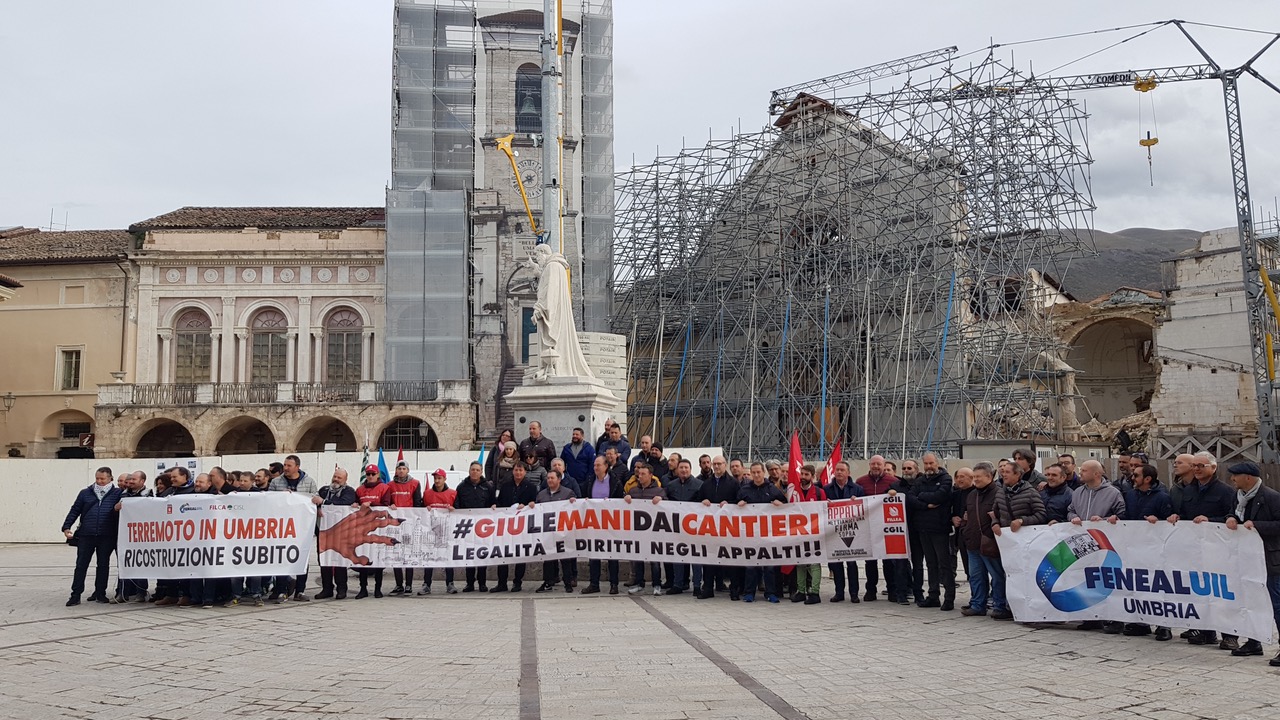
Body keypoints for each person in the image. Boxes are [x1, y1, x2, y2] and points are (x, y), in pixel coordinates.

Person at [1170, 452, 1236, 648]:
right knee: (1200, 590)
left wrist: (1211, 521)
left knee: (1222, 593)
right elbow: (1185, 514)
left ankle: (1230, 635)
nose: (1197, 469)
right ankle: (1206, 632)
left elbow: (1232, 518)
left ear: (1213, 468)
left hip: (1219, 550)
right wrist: (1176, 517)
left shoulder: (1225, 491)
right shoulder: (1189, 490)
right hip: (1195, 550)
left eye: (1201, 466)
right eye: (1195, 466)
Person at [1223, 462, 1280, 664]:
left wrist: (1257, 525)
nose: (1232, 479)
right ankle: (1253, 641)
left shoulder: (1271, 497)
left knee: (1276, 604)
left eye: (1235, 475)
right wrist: (1230, 518)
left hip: (1270, 559)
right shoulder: (1238, 496)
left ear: (1248, 477)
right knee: (1249, 601)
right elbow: (1233, 512)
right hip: (1246, 558)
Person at [1060, 459, 1126, 631]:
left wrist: (1104, 520)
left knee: (1107, 580)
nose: (1080, 473)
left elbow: (1122, 515)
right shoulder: (1078, 492)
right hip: (1085, 544)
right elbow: (1071, 510)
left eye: (1084, 470)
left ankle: (1113, 618)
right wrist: (1073, 517)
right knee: (1086, 579)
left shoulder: (1113, 493)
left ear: (1096, 474)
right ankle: (1091, 617)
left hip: (1105, 544)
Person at [1113, 463, 1174, 638]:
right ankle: (1140, 621)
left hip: (1156, 548)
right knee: (1138, 583)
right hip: (1135, 546)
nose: (1132, 478)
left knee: (1159, 585)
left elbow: (1170, 522)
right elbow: (1127, 516)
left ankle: (1164, 624)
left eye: (1136, 475)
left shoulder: (1162, 497)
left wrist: (1159, 520)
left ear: (1147, 479)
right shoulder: (1131, 495)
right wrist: (1117, 519)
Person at [62, 467, 123, 606]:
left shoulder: (117, 493)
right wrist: (66, 526)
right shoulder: (85, 493)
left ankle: (100, 593)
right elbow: (75, 510)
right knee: (81, 565)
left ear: (110, 478)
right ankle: (75, 595)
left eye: (103, 479)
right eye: (97, 478)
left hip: (107, 535)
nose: (99, 481)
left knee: (103, 565)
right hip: (86, 534)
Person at [960, 462, 1011, 619]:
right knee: (976, 576)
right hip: (973, 542)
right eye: (974, 476)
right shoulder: (972, 495)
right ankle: (978, 605)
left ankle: (1000, 606)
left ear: (989, 476)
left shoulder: (999, 493)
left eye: (978, 477)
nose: (975, 479)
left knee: (997, 576)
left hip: (991, 543)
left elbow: (1004, 516)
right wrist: (965, 530)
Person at [267, 455, 321, 603]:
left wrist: (316, 501)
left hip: (302, 527)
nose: (285, 468)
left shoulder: (309, 482)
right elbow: (269, 500)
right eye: (284, 465)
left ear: (297, 467)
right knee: (281, 558)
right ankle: (282, 590)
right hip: (282, 527)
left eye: (289, 465)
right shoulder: (276, 482)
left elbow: (315, 498)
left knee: (302, 558)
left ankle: (300, 591)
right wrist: (281, 497)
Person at [907, 454, 955, 610]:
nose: (928, 466)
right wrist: (926, 505)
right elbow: (910, 498)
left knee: (944, 564)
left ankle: (949, 597)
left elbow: (940, 496)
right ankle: (933, 595)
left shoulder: (946, 478)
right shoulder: (920, 480)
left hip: (940, 528)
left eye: (931, 463)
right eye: (926, 463)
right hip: (922, 527)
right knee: (930, 563)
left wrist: (921, 496)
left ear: (937, 463)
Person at [739, 462, 787, 604]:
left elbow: (786, 507)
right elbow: (734, 509)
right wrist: (739, 504)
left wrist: (781, 505)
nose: (756, 475)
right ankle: (749, 593)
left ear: (763, 472)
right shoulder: (744, 490)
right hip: (751, 535)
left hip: (769, 535)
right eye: (753, 472)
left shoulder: (772, 489)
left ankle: (770, 593)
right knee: (751, 566)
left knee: (769, 566)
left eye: (758, 472)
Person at [697, 456, 741, 600]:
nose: (716, 466)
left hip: (729, 528)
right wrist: (702, 501)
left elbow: (740, 501)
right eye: (714, 464)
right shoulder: (706, 484)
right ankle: (708, 588)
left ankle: (734, 589)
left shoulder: (733, 483)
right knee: (709, 558)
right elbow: (697, 500)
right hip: (711, 528)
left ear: (725, 465)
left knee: (731, 559)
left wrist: (730, 503)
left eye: (719, 464)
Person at [581, 456, 625, 595]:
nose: (595, 468)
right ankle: (594, 583)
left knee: (612, 554)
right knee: (594, 554)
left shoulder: (615, 482)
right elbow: (583, 495)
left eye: (598, 465)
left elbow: (620, 501)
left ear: (606, 466)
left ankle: (614, 584)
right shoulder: (590, 480)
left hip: (610, 524)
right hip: (594, 523)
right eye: (594, 465)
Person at [492, 462, 538, 592]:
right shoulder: (505, 486)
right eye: (516, 470)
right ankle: (502, 583)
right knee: (503, 554)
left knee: (520, 555)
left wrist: (529, 505)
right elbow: (500, 502)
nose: (518, 472)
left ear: (525, 472)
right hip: (506, 526)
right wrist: (495, 506)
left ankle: (517, 582)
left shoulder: (531, 487)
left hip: (522, 527)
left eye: (520, 470)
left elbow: (535, 503)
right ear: (513, 471)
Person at [856, 455, 896, 602]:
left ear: (884, 465)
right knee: (870, 561)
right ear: (869, 465)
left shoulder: (893, 481)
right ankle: (870, 590)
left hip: (887, 527)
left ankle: (892, 590)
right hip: (868, 527)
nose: (876, 466)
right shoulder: (860, 482)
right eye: (873, 464)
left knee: (888, 561)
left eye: (879, 464)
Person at [824, 460, 865, 603]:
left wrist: (857, 501)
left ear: (848, 473)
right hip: (834, 531)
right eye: (837, 470)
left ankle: (854, 593)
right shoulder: (827, 489)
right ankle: (839, 592)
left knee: (852, 564)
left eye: (842, 470)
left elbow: (864, 507)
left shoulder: (857, 489)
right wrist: (825, 503)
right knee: (836, 564)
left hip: (851, 531)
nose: (839, 472)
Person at [624, 463, 667, 595]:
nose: (640, 476)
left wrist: (662, 499)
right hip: (637, 531)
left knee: (654, 559)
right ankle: (639, 583)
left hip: (654, 531)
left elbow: (669, 507)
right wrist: (626, 498)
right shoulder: (633, 491)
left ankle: (657, 584)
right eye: (639, 474)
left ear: (650, 475)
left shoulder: (659, 491)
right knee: (638, 558)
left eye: (643, 474)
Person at [662, 458, 703, 594]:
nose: (684, 470)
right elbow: (665, 499)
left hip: (695, 528)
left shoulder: (699, 485)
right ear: (677, 470)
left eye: (686, 467)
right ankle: (677, 584)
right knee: (677, 556)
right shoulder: (671, 485)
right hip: (676, 527)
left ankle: (697, 585)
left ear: (691, 469)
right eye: (681, 468)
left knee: (696, 558)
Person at [415, 468, 459, 595]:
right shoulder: (427, 493)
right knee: (429, 557)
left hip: (447, 531)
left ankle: (450, 583)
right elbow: (421, 509)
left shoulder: (453, 493)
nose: (437, 480)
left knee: (447, 557)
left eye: (439, 478)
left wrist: (454, 509)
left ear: (445, 479)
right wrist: (425, 508)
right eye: (435, 478)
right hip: (431, 532)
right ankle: (426, 584)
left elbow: (459, 509)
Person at [316, 467, 358, 600]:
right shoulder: (324, 490)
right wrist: (318, 508)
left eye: (339, 477)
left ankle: (341, 589)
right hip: (323, 532)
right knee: (324, 560)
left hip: (341, 533)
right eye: (335, 476)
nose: (336, 479)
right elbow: (314, 502)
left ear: (345, 479)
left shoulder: (349, 491)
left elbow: (344, 503)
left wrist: (324, 502)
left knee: (340, 560)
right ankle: (327, 588)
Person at [534, 470, 578, 593]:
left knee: (565, 558)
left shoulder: (568, 493)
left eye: (552, 478)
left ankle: (568, 582)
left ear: (559, 479)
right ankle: (548, 582)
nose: (549, 480)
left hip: (563, 532)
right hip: (547, 532)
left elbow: (575, 509)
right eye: (548, 478)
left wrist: (574, 502)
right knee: (548, 558)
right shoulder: (541, 495)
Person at [112, 470, 152, 603]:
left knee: (141, 563)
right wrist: (115, 509)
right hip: (124, 535)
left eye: (134, 480)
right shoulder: (123, 494)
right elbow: (113, 514)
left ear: (142, 481)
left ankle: (141, 592)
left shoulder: (149, 494)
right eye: (130, 479)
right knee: (124, 564)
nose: (130, 482)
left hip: (141, 536)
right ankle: (122, 593)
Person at [454, 462, 494, 593]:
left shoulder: (488, 487)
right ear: (469, 471)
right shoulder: (461, 487)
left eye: (477, 470)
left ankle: (482, 583)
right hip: (468, 527)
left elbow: (493, 503)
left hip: (483, 528)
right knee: (469, 556)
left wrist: (494, 507)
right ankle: (469, 583)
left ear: (481, 472)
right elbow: (457, 505)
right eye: (473, 469)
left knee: (482, 555)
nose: (475, 472)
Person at [790, 464, 826, 604]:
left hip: (815, 532)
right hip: (798, 532)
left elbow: (824, 510)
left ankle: (815, 592)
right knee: (800, 562)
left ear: (812, 476)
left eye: (806, 474)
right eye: (802, 474)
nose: (803, 477)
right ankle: (801, 591)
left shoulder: (819, 492)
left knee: (814, 563)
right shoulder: (794, 492)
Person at [385, 460, 422, 597]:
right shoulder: (390, 485)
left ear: (408, 470)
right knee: (396, 554)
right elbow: (387, 502)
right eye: (399, 468)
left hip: (409, 524)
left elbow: (418, 503)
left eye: (403, 468)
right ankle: (399, 584)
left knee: (408, 554)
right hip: (395, 525)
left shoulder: (415, 483)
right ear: (396, 470)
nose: (401, 471)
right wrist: (390, 505)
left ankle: (409, 585)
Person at [354, 464, 391, 598]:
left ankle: (378, 589)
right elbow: (355, 504)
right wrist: (355, 505)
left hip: (379, 527)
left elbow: (386, 504)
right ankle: (363, 588)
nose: (370, 476)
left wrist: (372, 504)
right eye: (368, 474)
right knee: (363, 557)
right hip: (363, 528)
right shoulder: (359, 490)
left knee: (378, 558)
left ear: (377, 475)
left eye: (373, 474)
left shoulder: (384, 488)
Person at [949, 467, 974, 581]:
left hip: (974, 534)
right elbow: (948, 511)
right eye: (957, 477)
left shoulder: (977, 493)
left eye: (962, 477)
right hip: (960, 534)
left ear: (971, 478)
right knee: (967, 565)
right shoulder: (955, 494)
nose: (959, 479)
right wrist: (952, 518)